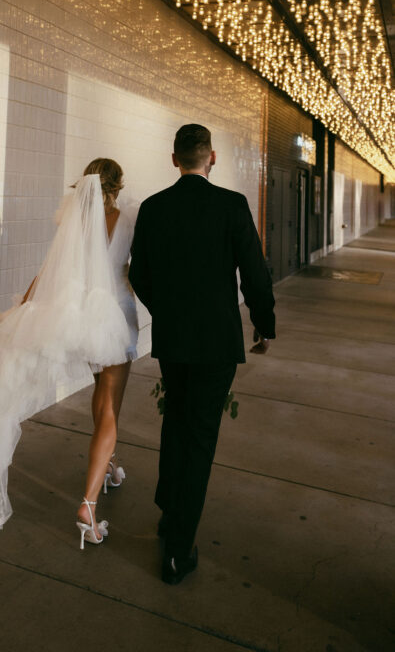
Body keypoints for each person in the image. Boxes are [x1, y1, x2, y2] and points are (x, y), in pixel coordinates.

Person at [0, 158, 138, 549]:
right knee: (109, 407)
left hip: (76, 317)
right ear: (116, 187)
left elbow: (50, 271)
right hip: (114, 317)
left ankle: (110, 466)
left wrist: (23, 308)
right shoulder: (126, 221)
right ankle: (88, 504)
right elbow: (135, 269)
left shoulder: (75, 221)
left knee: (98, 394)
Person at [129, 124, 275, 585]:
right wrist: (263, 324)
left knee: (176, 420)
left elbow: (140, 274)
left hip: (174, 341)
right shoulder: (231, 206)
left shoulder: (154, 208)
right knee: (199, 438)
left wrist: (165, 313)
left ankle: (170, 513)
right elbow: (255, 272)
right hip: (216, 343)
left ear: (175, 159)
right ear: (211, 158)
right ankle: (177, 551)